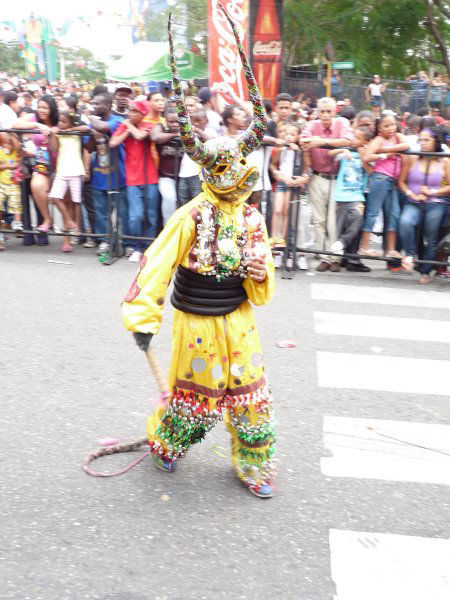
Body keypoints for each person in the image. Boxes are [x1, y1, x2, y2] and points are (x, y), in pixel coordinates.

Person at [123, 8, 276, 499]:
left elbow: (264, 276)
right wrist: (142, 317)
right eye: (229, 179)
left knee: (250, 394)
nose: (239, 188)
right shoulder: (189, 216)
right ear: (212, 176)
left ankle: (254, 463)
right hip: (197, 321)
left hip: (240, 318)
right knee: (198, 397)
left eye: (242, 178)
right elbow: (156, 265)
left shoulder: (253, 216)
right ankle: (167, 442)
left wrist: (258, 271)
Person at [300, 97, 354, 271]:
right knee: (318, 220)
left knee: (333, 221)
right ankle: (324, 257)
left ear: (334, 112)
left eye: (328, 111)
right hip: (316, 177)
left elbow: (348, 141)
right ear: (317, 112)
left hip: (336, 178)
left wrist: (322, 142)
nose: (325, 115)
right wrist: (314, 141)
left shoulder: (342, 123)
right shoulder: (312, 125)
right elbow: (304, 141)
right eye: (321, 111)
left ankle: (335, 257)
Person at [398, 127, 450, 284]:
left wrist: (433, 191)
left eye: (427, 140)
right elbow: (401, 181)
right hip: (414, 202)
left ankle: (426, 270)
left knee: (431, 237)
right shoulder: (412, 158)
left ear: (435, 142)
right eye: (421, 139)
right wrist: (410, 194)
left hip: (436, 203)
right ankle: (410, 254)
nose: (422, 143)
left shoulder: (445, 161)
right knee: (405, 222)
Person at [110, 100, 159, 263]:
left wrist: (128, 125)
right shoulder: (126, 125)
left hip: (150, 177)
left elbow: (140, 135)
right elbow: (113, 142)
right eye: (130, 110)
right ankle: (138, 247)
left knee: (151, 215)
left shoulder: (148, 124)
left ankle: (150, 247)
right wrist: (126, 128)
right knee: (135, 216)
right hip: (132, 179)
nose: (130, 114)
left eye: (133, 111)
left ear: (142, 113)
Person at [358, 113, 409, 258]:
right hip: (381, 178)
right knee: (373, 212)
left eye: (392, 125)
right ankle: (364, 247)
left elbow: (406, 145)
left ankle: (391, 249)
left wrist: (387, 150)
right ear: (379, 127)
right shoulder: (378, 139)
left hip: (392, 181)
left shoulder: (397, 137)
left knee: (394, 214)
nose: (390, 128)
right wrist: (385, 155)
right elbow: (367, 157)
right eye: (386, 126)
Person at [87, 93, 129, 256]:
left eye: (97, 104)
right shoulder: (94, 124)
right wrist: (93, 136)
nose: (94, 107)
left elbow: (104, 128)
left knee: (122, 214)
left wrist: (88, 117)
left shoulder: (116, 121)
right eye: (92, 104)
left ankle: (125, 242)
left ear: (108, 105)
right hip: (99, 177)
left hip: (118, 177)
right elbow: (90, 148)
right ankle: (106, 241)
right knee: (101, 214)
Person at [13, 94, 59, 237]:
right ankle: (47, 219)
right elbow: (15, 124)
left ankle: (71, 233)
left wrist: (51, 134)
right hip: (42, 163)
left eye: (45, 107)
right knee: (36, 185)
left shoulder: (58, 121)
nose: (41, 110)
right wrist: (37, 125)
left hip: (60, 163)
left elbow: (55, 149)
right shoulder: (34, 118)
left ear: (52, 108)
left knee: (64, 199)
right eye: (39, 106)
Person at [328, 126, 374, 265]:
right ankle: (341, 252)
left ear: (365, 142)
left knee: (357, 220)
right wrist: (343, 149)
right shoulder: (347, 150)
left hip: (357, 195)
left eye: (358, 138)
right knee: (339, 225)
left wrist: (363, 156)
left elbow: (370, 170)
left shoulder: (366, 154)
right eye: (354, 136)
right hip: (341, 194)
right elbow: (331, 154)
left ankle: (343, 242)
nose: (354, 140)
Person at [47, 110, 89, 252]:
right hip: (62, 171)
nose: (60, 124)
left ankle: (76, 227)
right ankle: (69, 221)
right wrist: (54, 134)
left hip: (76, 171)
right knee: (56, 197)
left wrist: (71, 129)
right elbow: (53, 148)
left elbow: (86, 128)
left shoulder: (75, 133)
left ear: (71, 122)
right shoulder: (59, 134)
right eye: (59, 121)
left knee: (76, 201)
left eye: (64, 121)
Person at [269, 122, 306, 248]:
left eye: (292, 134)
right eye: (287, 134)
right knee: (277, 209)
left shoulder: (300, 151)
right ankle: (274, 236)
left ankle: (282, 238)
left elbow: (305, 168)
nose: (289, 136)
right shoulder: (280, 149)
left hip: (292, 182)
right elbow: (273, 164)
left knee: (286, 210)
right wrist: (277, 173)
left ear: (297, 137)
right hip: (282, 181)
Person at [151, 108, 184, 224]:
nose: (175, 124)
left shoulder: (186, 128)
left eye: (177, 122)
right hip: (166, 177)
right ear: (166, 121)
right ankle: (168, 227)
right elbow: (155, 137)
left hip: (183, 177)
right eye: (171, 122)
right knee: (169, 198)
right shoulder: (160, 127)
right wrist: (174, 135)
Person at [0, 133, 23, 248]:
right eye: (4, 143)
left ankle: (17, 223)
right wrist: (8, 166)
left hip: (13, 184)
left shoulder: (15, 153)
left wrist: (12, 135)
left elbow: (18, 148)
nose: (6, 145)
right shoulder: (1, 152)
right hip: (1, 184)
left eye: (9, 144)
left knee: (16, 204)